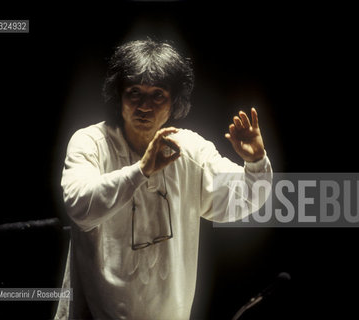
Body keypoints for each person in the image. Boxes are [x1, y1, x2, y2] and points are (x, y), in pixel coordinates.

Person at [55, 39, 273, 320]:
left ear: (174, 103)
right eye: (134, 92)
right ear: (118, 97)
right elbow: (79, 207)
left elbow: (243, 199)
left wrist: (255, 162)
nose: (144, 105)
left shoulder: (191, 149)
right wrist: (141, 170)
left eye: (158, 95)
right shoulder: (90, 142)